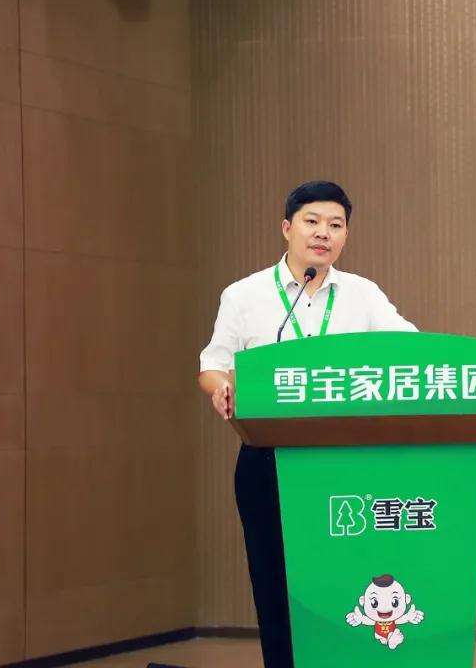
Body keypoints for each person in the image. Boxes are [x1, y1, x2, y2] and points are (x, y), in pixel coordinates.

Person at [198, 180, 416, 668]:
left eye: (335, 225)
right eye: (312, 221)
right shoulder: (245, 295)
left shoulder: (363, 295)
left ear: (345, 236)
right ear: (287, 228)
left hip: (346, 466)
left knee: (343, 583)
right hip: (268, 462)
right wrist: (222, 388)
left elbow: (409, 350)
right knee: (275, 585)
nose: (323, 233)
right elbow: (213, 364)